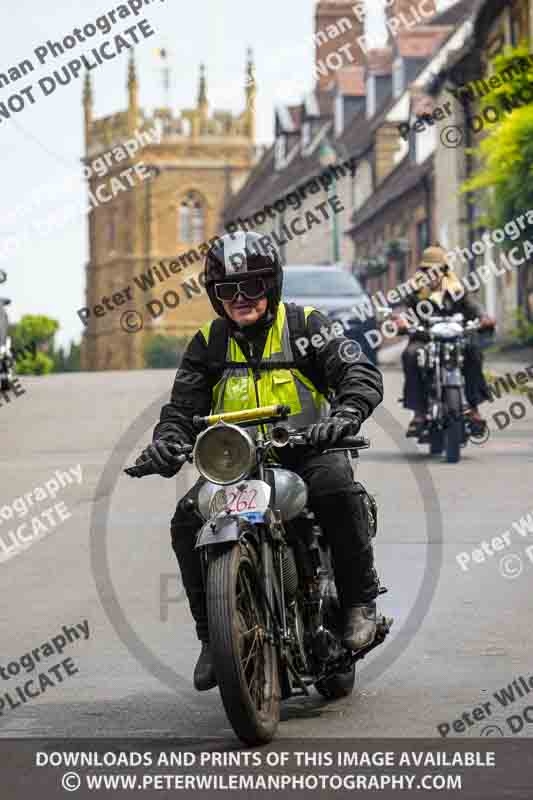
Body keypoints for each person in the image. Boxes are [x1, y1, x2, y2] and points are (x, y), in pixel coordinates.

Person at [137, 232, 384, 691]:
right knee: (187, 518)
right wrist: (167, 444)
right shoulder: (207, 343)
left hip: (310, 450)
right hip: (237, 463)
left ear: (272, 286)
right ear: (215, 296)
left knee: (336, 489)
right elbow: (181, 411)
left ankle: (358, 602)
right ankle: (214, 638)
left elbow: (358, 372)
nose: (241, 299)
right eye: (228, 290)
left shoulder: (308, 325)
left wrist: (347, 413)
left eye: (252, 286)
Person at [397, 246, 495, 436]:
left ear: (444, 271)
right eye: (427, 270)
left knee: (473, 351)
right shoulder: (414, 293)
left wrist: (484, 317)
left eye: (437, 270)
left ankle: (473, 409)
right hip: (424, 339)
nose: (432, 275)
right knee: (410, 355)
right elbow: (404, 312)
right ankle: (419, 413)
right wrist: (401, 321)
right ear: (421, 272)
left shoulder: (457, 290)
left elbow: (473, 307)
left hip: (456, 339)